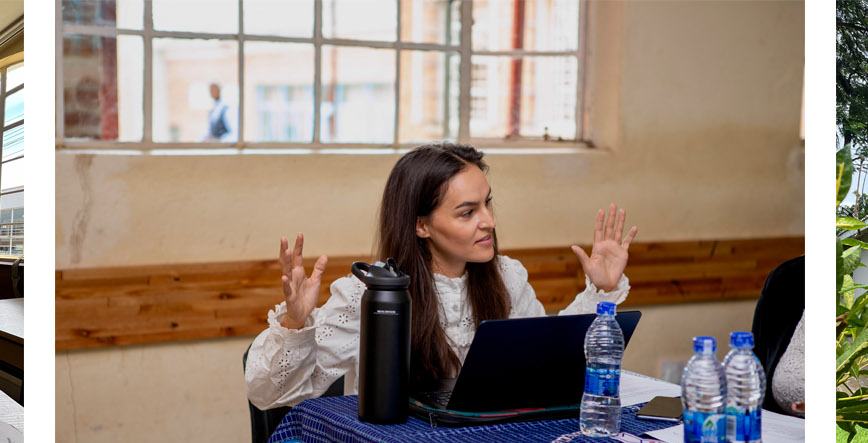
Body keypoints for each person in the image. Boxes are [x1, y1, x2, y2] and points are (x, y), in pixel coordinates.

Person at [245, 143, 640, 410]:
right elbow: (269, 393)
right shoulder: (369, 294)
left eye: (487, 204)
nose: (489, 222)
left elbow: (546, 362)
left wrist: (602, 290)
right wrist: (296, 323)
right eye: (467, 212)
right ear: (421, 226)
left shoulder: (507, 277)